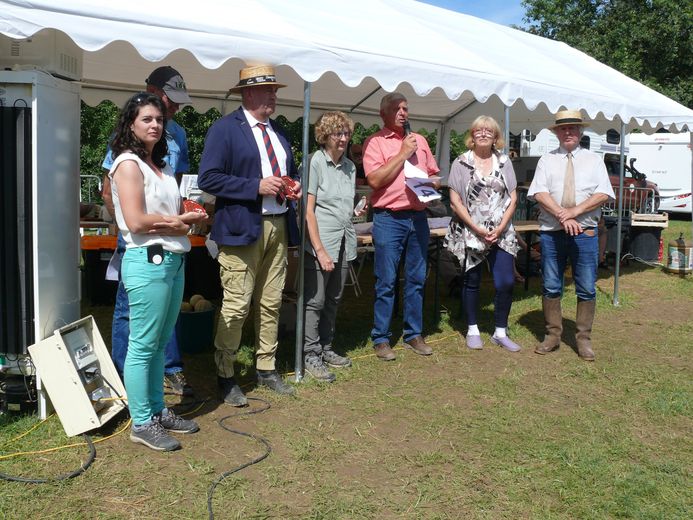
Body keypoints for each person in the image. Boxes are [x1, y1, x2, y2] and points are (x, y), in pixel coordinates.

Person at [197, 65, 301, 405]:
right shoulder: (225, 129)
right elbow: (208, 179)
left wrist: (292, 184)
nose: (273, 95)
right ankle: (225, 375)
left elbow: (289, 171)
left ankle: (266, 367)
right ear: (247, 93)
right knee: (237, 304)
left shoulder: (279, 132)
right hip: (241, 228)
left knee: (271, 301)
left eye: (275, 90)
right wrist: (254, 186)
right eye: (267, 89)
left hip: (279, 224)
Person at [108, 92, 207, 451]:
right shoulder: (128, 163)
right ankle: (142, 421)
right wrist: (180, 222)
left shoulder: (160, 167)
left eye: (159, 120)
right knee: (143, 344)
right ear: (131, 124)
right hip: (146, 260)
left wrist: (187, 220)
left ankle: (157, 409)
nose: (155, 125)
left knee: (160, 343)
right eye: (147, 119)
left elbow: (166, 216)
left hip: (172, 259)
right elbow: (134, 221)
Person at [102, 65, 194, 397]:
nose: (174, 110)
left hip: (170, 246)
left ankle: (167, 373)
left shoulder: (178, 136)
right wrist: (128, 229)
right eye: (171, 101)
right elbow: (108, 192)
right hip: (142, 244)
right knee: (131, 313)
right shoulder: (125, 147)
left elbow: (176, 190)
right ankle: (125, 378)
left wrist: (185, 215)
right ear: (153, 92)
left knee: (163, 320)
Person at [528, 109, 615, 361]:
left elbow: (603, 194)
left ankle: (583, 339)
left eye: (573, 128)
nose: (568, 132)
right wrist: (562, 215)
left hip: (585, 233)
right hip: (552, 233)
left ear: (581, 132)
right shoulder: (546, 160)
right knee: (551, 284)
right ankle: (553, 336)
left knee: (586, 288)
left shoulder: (594, 160)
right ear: (556, 132)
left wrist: (574, 212)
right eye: (563, 128)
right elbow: (539, 193)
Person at [362, 92, 440, 361]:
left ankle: (413, 334)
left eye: (405, 108)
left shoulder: (420, 140)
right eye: (397, 108)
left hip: (418, 218)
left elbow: (432, 174)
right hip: (388, 219)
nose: (403, 112)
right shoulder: (375, 143)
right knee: (386, 280)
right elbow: (375, 180)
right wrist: (403, 153)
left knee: (417, 279)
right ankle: (381, 338)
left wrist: (435, 184)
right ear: (383, 114)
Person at [445, 116, 521, 352]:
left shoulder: (504, 162)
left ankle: (500, 332)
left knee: (506, 281)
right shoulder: (461, 162)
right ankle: (473, 329)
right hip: (471, 230)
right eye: (479, 129)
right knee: (472, 281)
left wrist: (500, 228)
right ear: (472, 134)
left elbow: (514, 198)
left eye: (489, 130)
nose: (483, 133)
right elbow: (454, 200)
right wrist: (476, 228)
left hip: (501, 231)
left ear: (496, 136)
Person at [303, 111, 366, 382]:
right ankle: (310, 354)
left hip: (344, 241)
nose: (343, 138)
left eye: (346, 133)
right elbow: (308, 211)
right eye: (337, 133)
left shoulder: (350, 167)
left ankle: (326, 347)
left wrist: (356, 211)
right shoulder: (315, 162)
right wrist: (319, 250)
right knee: (315, 301)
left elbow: (340, 208)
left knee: (334, 299)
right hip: (321, 242)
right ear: (325, 136)